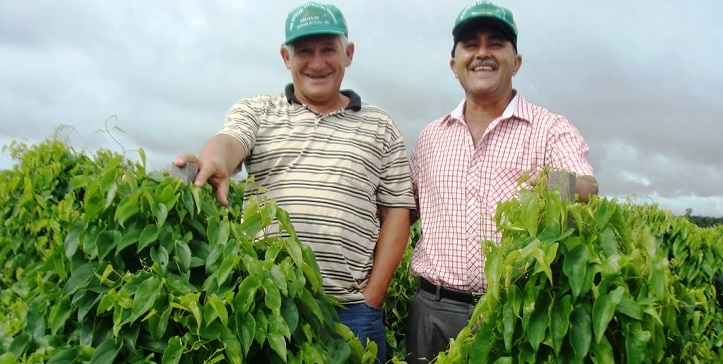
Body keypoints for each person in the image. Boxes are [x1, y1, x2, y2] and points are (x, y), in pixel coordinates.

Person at [174, 2, 415, 362]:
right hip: (269, 306)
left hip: (351, 312)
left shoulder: (380, 125)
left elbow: (397, 212)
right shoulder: (258, 111)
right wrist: (214, 160)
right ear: (286, 56)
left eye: (328, 49)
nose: (317, 63)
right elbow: (230, 142)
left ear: (348, 53)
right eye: (304, 51)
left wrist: (372, 298)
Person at [405, 1, 598, 362]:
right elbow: (406, 212)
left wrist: (548, 191)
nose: (482, 53)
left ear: (516, 61)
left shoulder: (549, 129)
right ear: (454, 65)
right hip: (433, 309)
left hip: (512, 308)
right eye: (470, 45)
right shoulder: (430, 137)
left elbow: (584, 186)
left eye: (495, 43)